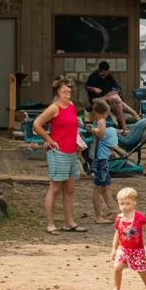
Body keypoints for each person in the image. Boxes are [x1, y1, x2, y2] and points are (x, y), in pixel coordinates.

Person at [33, 77, 87, 234]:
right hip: (58, 152)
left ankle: (69, 222)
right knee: (55, 188)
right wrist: (49, 140)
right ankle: (50, 224)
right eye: (65, 90)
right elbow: (37, 124)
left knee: (70, 189)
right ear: (58, 92)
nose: (68, 91)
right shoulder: (54, 108)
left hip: (71, 152)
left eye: (69, 89)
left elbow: (72, 128)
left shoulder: (71, 105)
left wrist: (78, 143)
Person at [110, 186, 146, 290]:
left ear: (134, 202)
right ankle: (116, 288)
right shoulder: (119, 218)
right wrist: (114, 248)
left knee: (142, 271)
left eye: (127, 203)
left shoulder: (139, 217)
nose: (124, 206)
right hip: (124, 249)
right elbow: (117, 233)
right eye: (122, 204)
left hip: (137, 250)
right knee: (117, 268)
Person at [84, 61, 139, 133]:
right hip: (97, 100)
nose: (103, 74)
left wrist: (112, 92)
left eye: (105, 73)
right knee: (116, 100)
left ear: (107, 71)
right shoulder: (93, 76)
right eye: (102, 73)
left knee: (116, 100)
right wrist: (93, 89)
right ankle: (127, 124)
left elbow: (117, 87)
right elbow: (86, 86)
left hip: (109, 98)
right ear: (100, 71)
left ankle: (128, 122)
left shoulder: (109, 76)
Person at [87, 98, 118, 223]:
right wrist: (94, 130)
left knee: (104, 186)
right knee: (98, 187)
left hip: (102, 159)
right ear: (105, 111)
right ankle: (98, 216)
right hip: (101, 160)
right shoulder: (101, 121)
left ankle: (112, 210)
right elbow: (101, 134)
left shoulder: (98, 121)